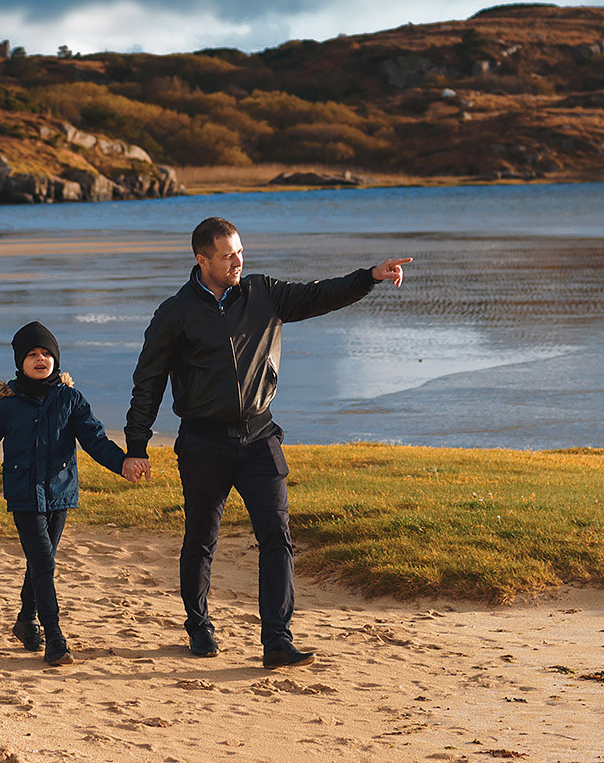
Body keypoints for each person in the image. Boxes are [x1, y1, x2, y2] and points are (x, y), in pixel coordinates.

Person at [122, 217, 411, 668]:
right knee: (201, 540)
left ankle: (277, 640)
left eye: (240, 251)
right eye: (227, 255)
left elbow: (318, 295)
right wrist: (136, 445)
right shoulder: (174, 314)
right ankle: (198, 625)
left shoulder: (264, 293)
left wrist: (368, 278)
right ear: (202, 260)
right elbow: (148, 382)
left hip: (259, 436)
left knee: (277, 538)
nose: (239, 260)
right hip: (203, 442)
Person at [0, 322, 128, 667]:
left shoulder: (70, 399)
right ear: (20, 362)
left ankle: (25, 620)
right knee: (44, 562)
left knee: (41, 562)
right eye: (32, 354)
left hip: (60, 492)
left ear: (56, 359)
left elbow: (95, 440)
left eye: (46, 353)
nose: (40, 358)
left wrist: (123, 465)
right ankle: (54, 637)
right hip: (24, 493)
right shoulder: (5, 405)